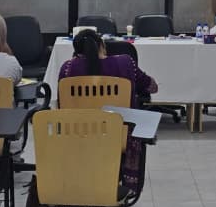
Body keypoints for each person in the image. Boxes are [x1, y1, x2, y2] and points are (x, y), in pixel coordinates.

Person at [58, 29, 158, 194]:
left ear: (77, 52)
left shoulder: (67, 69)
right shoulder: (125, 63)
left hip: (78, 135)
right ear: (102, 45)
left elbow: (62, 106)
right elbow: (152, 87)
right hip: (118, 135)